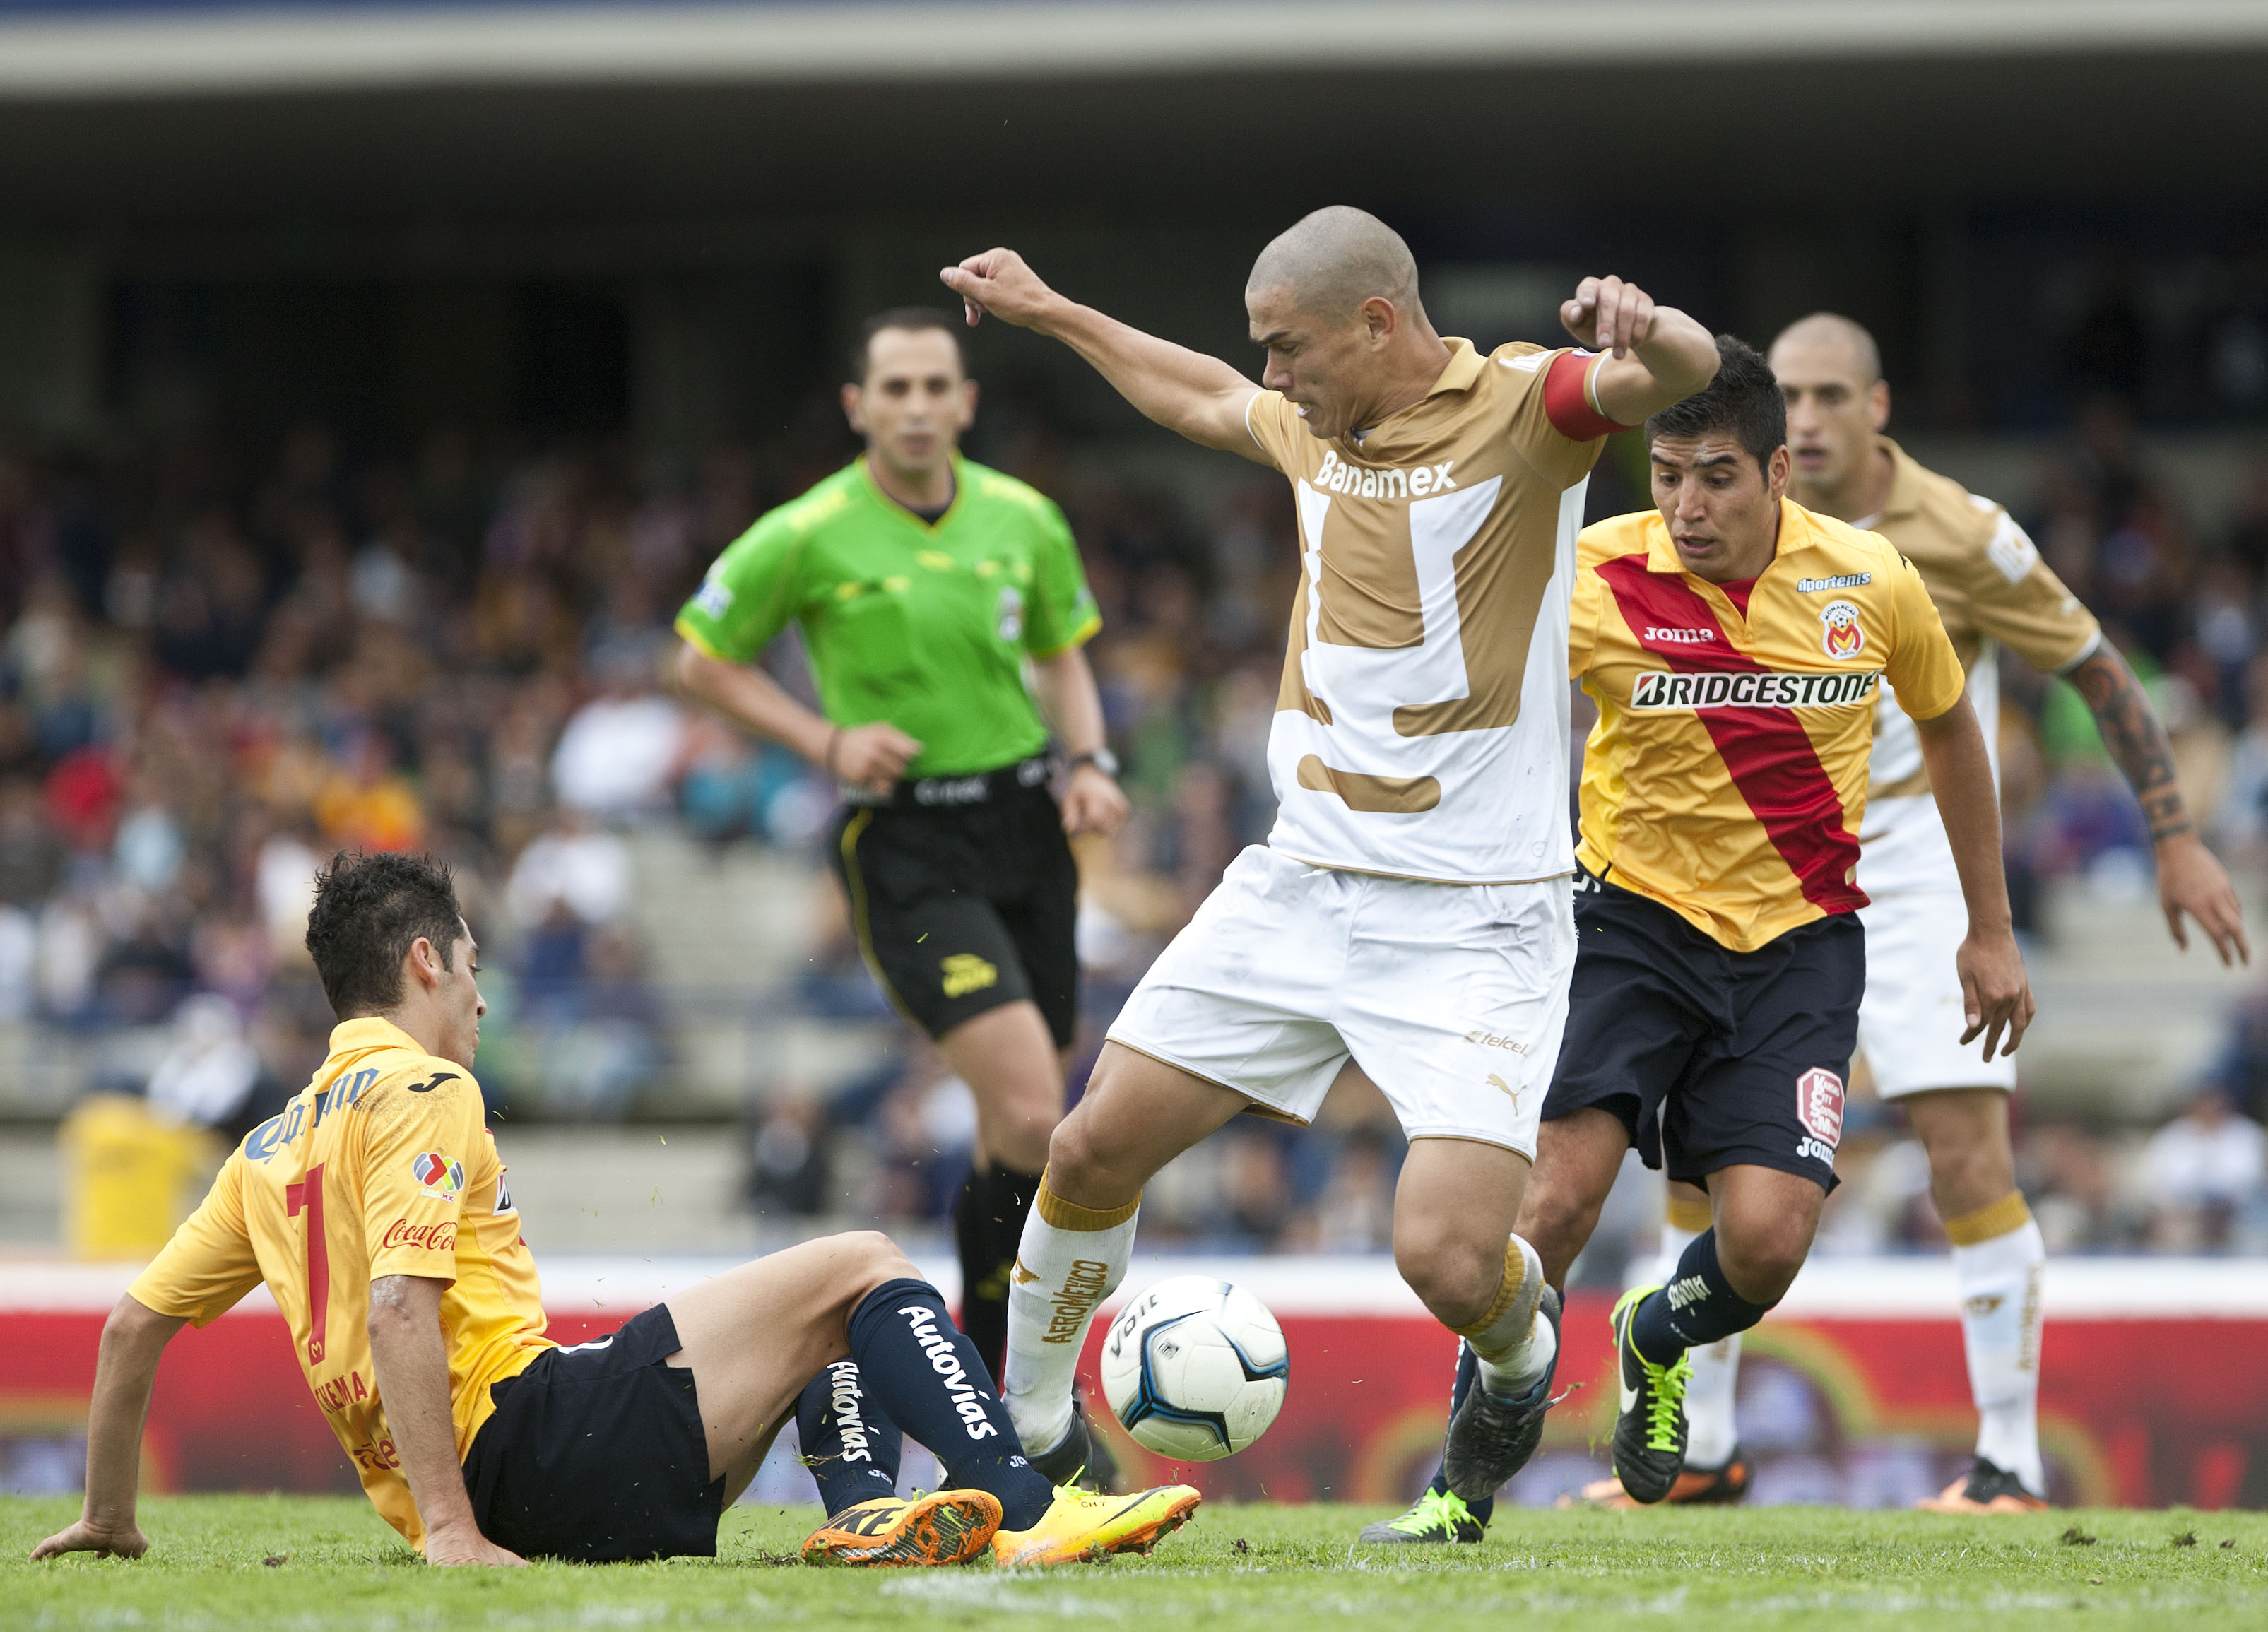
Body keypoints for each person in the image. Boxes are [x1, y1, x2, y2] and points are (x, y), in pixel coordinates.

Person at [937, 207, 1720, 1484]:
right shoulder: (1313, 420)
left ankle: (1519, 1367)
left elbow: (1676, 375)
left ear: (1376, 321)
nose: (1270, 376)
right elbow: (1194, 394)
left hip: (1476, 911)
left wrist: (1650, 322)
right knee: (1085, 1149)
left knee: (1452, 1262)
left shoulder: (1527, 407)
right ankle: (1030, 1442)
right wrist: (1055, 310)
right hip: (1299, 882)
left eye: (1286, 346)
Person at [30, 851, 1197, 1571]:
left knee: (805, 1309)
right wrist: (450, 1526)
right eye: (474, 964)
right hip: (527, 1447)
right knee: (864, 1261)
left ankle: (867, 1512)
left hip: (520, 1469)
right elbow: (398, 1303)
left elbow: (129, 1329)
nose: (485, 993)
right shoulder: (426, 1085)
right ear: (427, 961)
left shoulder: (266, 1147)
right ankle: (1031, 1504)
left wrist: (108, 1514)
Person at [1571, 314, 2253, 1517]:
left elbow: (2093, 662)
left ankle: (2004, 1461)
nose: (1813, 416)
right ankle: (1704, 1452)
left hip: (1921, 862)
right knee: (1698, 1169)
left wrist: (2175, 834)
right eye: (1791, 395)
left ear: (1877, 406)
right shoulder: (1697, 529)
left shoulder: (1957, 534)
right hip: (1744, 879)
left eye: (1833, 394)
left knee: (1963, 1153)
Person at [1370, 336, 2034, 1542]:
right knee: (1552, 1203)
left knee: (1768, 1242)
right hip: (1628, 925)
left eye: (1717, 475)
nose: (1685, 505)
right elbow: (1465, 692)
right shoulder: (1588, 575)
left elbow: (1948, 731)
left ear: (1780, 470)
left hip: (1800, 941)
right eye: (1665, 473)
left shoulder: (1870, 580)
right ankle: (1457, 1493)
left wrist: (1987, 928)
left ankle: (1653, 1332)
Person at [673, 308, 1128, 1421]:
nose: (918, 406)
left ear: (965, 403)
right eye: (897, 388)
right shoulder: (807, 531)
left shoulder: (1023, 517)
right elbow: (698, 661)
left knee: (1012, 1125)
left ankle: (989, 1390)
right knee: (1035, 1114)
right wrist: (825, 742)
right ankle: (1020, 1391)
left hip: (1026, 826)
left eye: (937, 386)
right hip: (907, 843)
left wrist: (1088, 760)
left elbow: (1062, 657)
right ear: (858, 406)